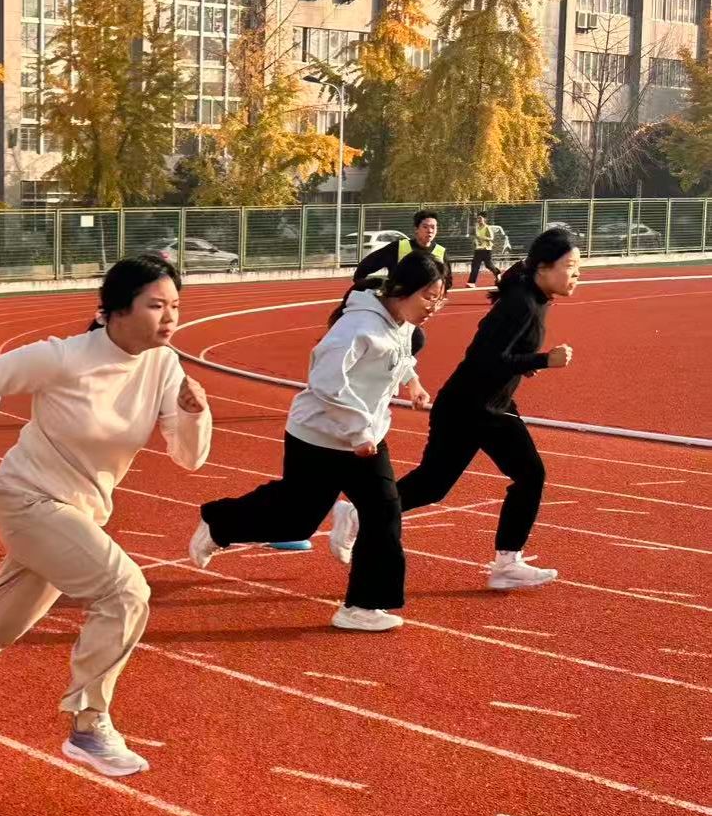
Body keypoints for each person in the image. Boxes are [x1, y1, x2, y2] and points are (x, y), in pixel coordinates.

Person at [0, 255, 211, 778]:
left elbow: (189, 458)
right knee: (125, 591)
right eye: (157, 306)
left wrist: (195, 415)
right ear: (117, 310)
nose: (170, 317)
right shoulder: (65, 357)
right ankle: (89, 723)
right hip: (29, 500)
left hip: (79, 513)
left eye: (176, 305)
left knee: (0, 621)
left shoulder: (164, 366)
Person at [189, 252, 448, 632]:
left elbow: (401, 355)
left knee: (384, 513)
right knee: (295, 522)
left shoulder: (402, 322)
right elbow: (326, 384)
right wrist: (358, 430)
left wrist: (413, 383)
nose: (434, 307)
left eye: (440, 298)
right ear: (402, 289)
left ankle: (362, 606)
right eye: (429, 296)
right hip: (319, 437)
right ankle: (220, 523)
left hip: (366, 438)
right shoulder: (356, 327)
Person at [332, 228, 578, 591]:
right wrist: (542, 359)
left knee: (434, 485)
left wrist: (524, 362)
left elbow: (499, 353)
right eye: (570, 266)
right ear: (543, 267)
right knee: (526, 476)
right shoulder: (521, 303)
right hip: (472, 408)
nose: (577, 274)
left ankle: (357, 514)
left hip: (482, 404)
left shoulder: (532, 297)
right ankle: (507, 563)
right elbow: (484, 358)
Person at [353, 210, 445, 282]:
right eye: (425, 227)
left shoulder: (440, 252)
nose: (430, 231)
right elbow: (367, 265)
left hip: (428, 300)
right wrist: (362, 282)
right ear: (416, 229)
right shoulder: (397, 248)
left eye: (433, 227)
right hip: (401, 299)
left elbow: (447, 280)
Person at [468, 212, 498, 287]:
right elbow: (477, 237)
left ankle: (497, 273)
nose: (479, 219)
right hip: (478, 249)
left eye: (480, 218)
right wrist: (475, 242)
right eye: (478, 218)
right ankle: (471, 282)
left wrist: (482, 238)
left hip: (486, 249)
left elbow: (492, 238)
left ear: (485, 219)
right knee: (475, 265)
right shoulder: (477, 227)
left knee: (488, 265)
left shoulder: (487, 227)